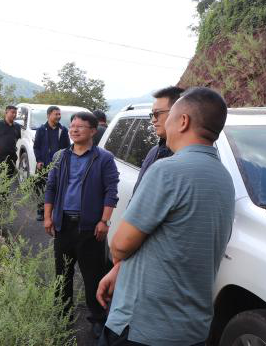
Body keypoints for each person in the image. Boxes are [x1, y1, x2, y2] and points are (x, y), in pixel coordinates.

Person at [96, 87, 235, 346]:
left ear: (183, 121)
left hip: (143, 327)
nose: (159, 123)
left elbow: (120, 244)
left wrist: (119, 257)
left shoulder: (168, 170)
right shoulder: (224, 177)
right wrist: (121, 269)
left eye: (166, 116)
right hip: (192, 331)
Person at [44, 111, 119, 338]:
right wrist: (48, 217)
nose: (74, 129)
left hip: (90, 228)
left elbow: (111, 191)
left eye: (80, 126)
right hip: (64, 225)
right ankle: (62, 315)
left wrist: (104, 221)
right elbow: (51, 187)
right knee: (62, 275)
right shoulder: (60, 156)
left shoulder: (103, 158)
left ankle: (97, 318)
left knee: (93, 276)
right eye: (72, 126)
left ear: (93, 131)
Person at [132, 86, 184, 193]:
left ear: (176, 114)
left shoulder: (186, 160)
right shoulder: (153, 152)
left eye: (157, 114)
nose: (153, 120)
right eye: (152, 114)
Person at [33, 105, 70, 221]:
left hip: (58, 165)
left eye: (59, 114)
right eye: (56, 114)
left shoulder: (63, 130)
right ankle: (41, 211)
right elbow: (36, 147)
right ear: (49, 115)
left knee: (57, 188)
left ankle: (55, 213)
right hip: (43, 164)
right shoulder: (41, 129)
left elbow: (67, 148)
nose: (59, 116)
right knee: (41, 188)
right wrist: (39, 160)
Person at [0, 105, 22, 178]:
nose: (14, 115)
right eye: (12, 112)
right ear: (6, 112)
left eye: (15, 113)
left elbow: (16, 138)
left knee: (9, 177)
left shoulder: (17, 126)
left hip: (12, 156)